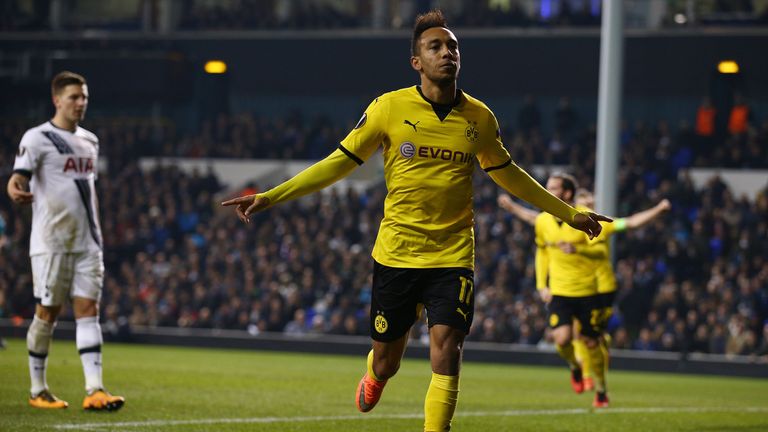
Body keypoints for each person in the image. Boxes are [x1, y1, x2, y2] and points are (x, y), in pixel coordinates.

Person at [222, 10, 608, 431]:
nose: (448, 53)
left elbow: (511, 175)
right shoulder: (389, 108)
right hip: (398, 253)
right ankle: (375, 372)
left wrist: (569, 214)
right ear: (417, 62)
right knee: (389, 359)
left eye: (453, 46)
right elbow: (337, 164)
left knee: (448, 348)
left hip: (454, 253)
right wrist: (271, 196)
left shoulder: (480, 118)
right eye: (436, 47)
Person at [6, 71, 125, 411]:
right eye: (74, 97)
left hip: (88, 240)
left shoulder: (90, 141)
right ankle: (38, 389)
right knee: (48, 312)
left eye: (84, 97)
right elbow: (19, 177)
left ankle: (95, 389)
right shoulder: (37, 137)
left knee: (89, 310)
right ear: (56, 100)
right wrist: (14, 187)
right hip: (52, 241)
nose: (81, 102)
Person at [498, 187, 671, 405]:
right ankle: (585, 372)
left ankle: (597, 378)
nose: (587, 203)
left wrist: (658, 209)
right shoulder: (557, 224)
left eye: (589, 199)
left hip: (601, 289)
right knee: (575, 336)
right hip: (570, 289)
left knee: (589, 338)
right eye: (583, 200)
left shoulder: (602, 226)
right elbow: (535, 221)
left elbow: (631, 222)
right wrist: (512, 206)